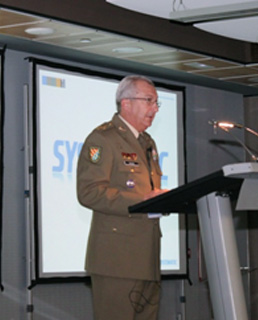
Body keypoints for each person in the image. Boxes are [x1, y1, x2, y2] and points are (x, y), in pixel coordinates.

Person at [77, 75, 167, 320]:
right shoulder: (103, 139)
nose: (155, 109)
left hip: (147, 258)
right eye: (149, 101)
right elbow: (89, 191)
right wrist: (142, 201)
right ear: (126, 103)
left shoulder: (148, 143)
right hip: (116, 260)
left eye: (157, 103)